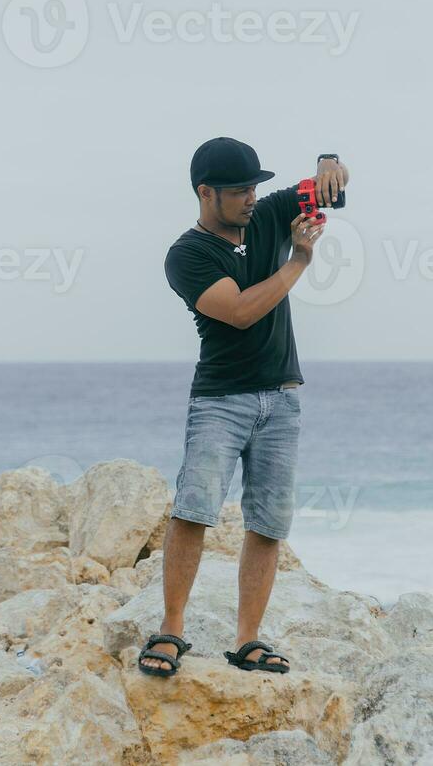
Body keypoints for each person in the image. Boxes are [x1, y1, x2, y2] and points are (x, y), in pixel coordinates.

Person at [136, 137, 350, 678]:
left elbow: (322, 189)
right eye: (239, 190)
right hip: (220, 400)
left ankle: (248, 640)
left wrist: (328, 165)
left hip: (283, 397)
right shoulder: (186, 255)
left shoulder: (269, 212)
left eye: (255, 186)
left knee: (269, 523)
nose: (253, 197)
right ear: (206, 192)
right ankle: (171, 630)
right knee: (194, 511)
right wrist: (299, 260)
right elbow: (238, 312)